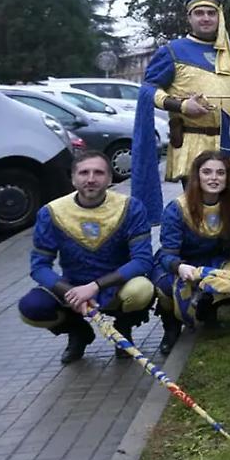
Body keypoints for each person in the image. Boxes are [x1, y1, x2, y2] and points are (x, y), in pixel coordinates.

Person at [18, 151, 154, 364]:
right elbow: (39, 267)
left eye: (98, 172)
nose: (91, 178)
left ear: (109, 179)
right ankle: (79, 331)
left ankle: (123, 330)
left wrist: (95, 286)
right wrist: (71, 292)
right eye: (84, 172)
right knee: (31, 307)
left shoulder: (130, 207)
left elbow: (143, 260)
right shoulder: (51, 212)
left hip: (117, 284)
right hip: (72, 284)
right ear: (73, 178)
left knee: (141, 290)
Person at [133, 0, 230, 224]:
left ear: (219, 17)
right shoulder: (172, 51)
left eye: (211, 13)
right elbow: (148, 91)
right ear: (189, 18)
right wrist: (181, 105)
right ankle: (192, 256)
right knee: (195, 208)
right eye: (199, 13)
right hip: (192, 142)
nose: (206, 18)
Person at [153, 151, 230, 353]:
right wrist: (179, 267)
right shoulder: (177, 208)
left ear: (227, 177)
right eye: (207, 172)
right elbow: (167, 253)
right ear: (197, 176)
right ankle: (170, 327)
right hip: (178, 263)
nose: (214, 178)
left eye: (220, 173)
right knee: (166, 287)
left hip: (211, 261)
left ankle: (209, 312)